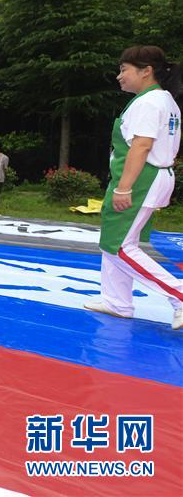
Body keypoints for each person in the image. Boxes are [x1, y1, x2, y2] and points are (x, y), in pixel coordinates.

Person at [85, 45, 182, 331]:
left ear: (146, 71)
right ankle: (117, 301)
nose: (119, 76)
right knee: (114, 239)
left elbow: (141, 145)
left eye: (124, 69)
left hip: (141, 178)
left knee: (120, 246)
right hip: (148, 176)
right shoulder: (164, 101)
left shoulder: (149, 103)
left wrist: (124, 188)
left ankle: (178, 294)